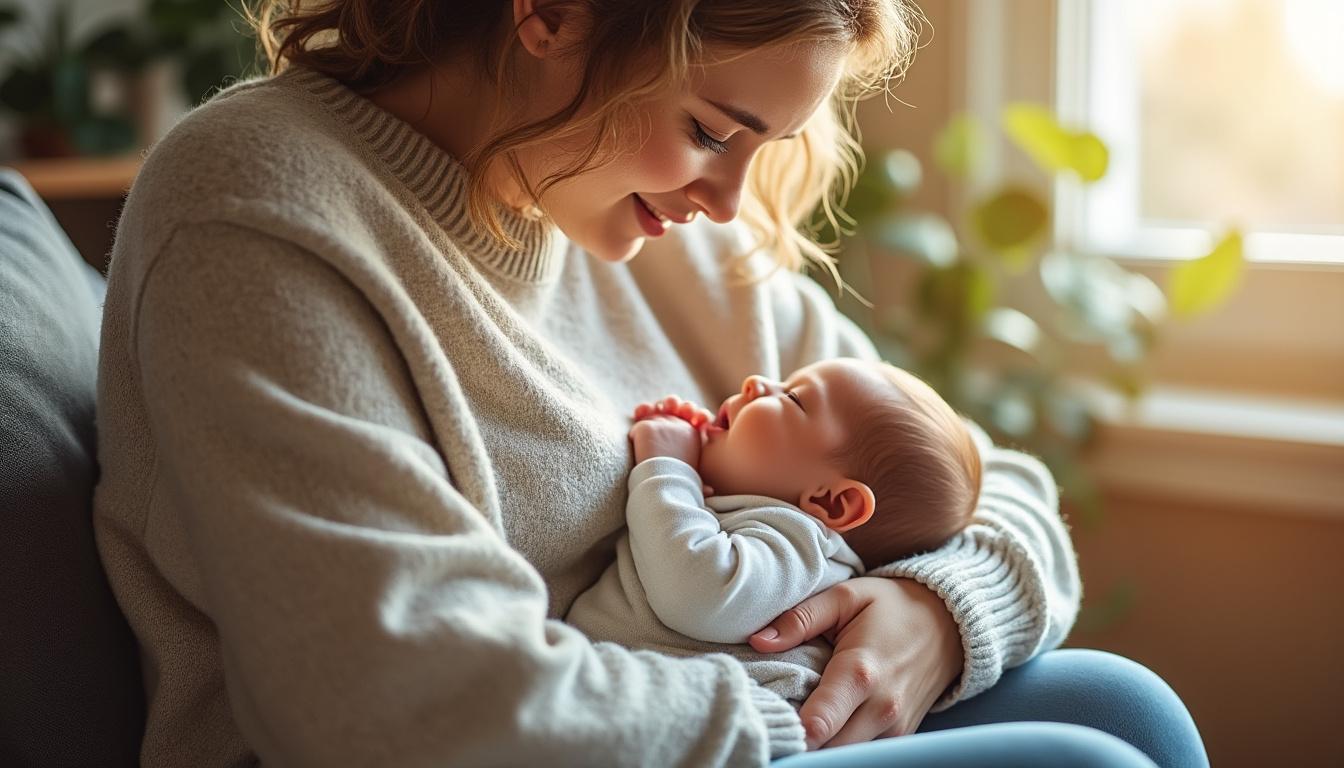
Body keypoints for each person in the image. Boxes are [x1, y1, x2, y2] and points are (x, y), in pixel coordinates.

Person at [90, 0, 1208, 766]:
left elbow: (982, 475)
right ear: (550, 13)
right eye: (712, 131)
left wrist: (937, 612)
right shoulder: (260, 205)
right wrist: (786, 718)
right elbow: (388, 706)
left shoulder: (654, 228)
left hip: (703, 718)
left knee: (1125, 706)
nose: (727, 202)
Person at [566, 357, 981, 706]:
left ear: (831, 503)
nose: (756, 381)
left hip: (731, 723)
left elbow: (703, 591)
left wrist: (667, 469)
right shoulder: (763, 523)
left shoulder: (801, 543)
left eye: (793, 397)